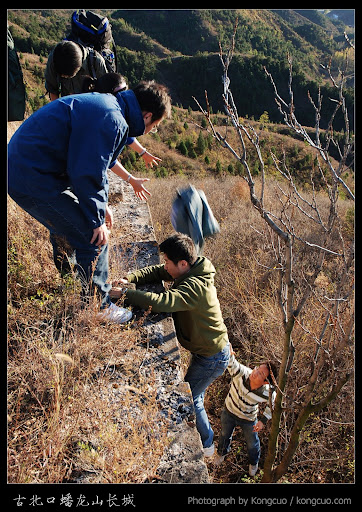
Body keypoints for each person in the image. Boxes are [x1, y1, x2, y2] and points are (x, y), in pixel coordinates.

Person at [8, 81, 172, 324]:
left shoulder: (109, 107)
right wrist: (95, 219)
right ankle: (99, 306)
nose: (150, 131)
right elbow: (86, 171)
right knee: (93, 237)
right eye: (155, 127)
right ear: (147, 116)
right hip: (32, 178)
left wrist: (101, 204)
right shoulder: (111, 119)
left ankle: (75, 283)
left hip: (32, 170)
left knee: (76, 227)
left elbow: (92, 163)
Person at [110, 233, 230, 454]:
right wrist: (131, 277)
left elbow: (163, 302)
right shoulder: (190, 267)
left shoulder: (196, 286)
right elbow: (158, 271)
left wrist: (126, 294)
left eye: (168, 261)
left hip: (212, 357)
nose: (165, 265)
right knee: (197, 394)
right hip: (206, 350)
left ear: (182, 263)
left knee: (191, 398)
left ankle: (207, 444)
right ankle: (209, 442)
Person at [214, 350, 277, 477]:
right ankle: (221, 454)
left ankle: (254, 463)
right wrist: (228, 350)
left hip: (248, 419)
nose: (255, 373)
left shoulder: (267, 392)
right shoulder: (242, 374)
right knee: (225, 434)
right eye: (257, 369)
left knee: (252, 443)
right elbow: (232, 363)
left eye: (260, 374)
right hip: (229, 411)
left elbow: (273, 403)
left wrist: (263, 421)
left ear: (265, 382)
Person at [81, 73, 162, 169]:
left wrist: (143, 152)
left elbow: (126, 137)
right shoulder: (107, 122)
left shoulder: (93, 107)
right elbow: (102, 161)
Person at [44, 40, 109, 101]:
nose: (63, 77)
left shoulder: (96, 62)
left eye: (66, 76)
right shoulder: (55, 59)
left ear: (78, 68)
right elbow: (52, 89)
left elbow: (105, 97)